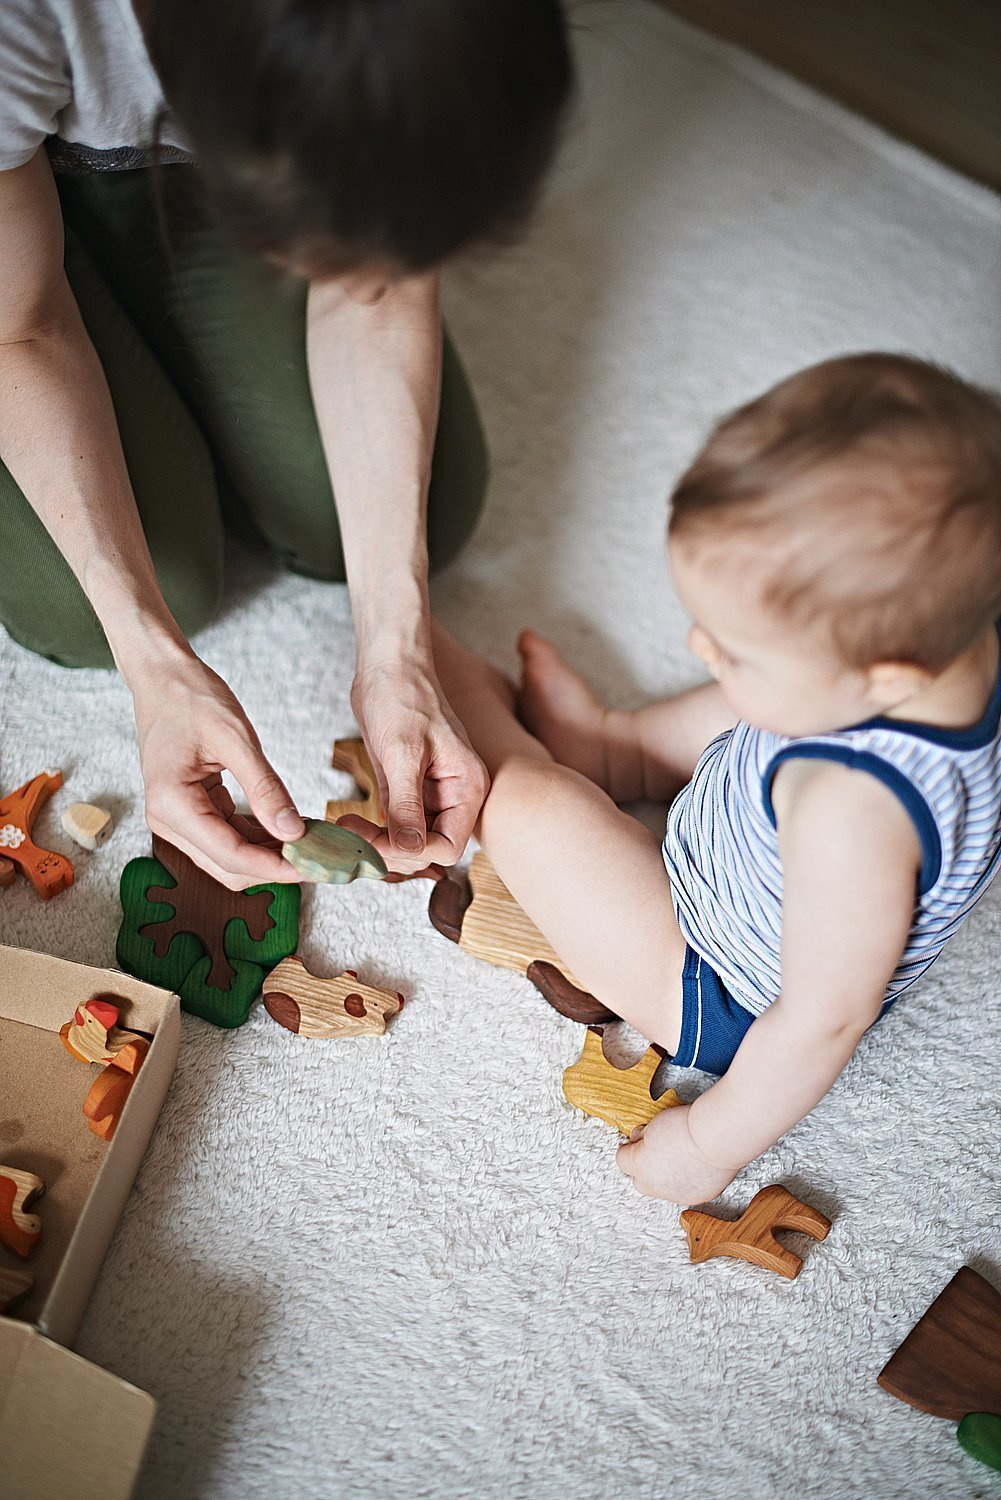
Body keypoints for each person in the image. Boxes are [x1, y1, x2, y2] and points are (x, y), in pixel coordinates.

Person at [0, 0, 572, 891]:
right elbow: (20, 330)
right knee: (106, 602)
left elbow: (378, 286)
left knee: (423, 505)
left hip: (178, 147)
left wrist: (397, 644)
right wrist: (152, 664)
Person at [403, 354, 1001, 1203]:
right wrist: (759, 679)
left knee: (532, 806)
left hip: (715, 981)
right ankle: (617, 744)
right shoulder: (948, 638)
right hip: (753, 816)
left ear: (888, 680)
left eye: (732, 646)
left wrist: (707, 1144)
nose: (698, 648)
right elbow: (777, 708)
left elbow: (821, 1019)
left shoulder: (851, 814)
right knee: (764, 705)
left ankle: (474, 715)